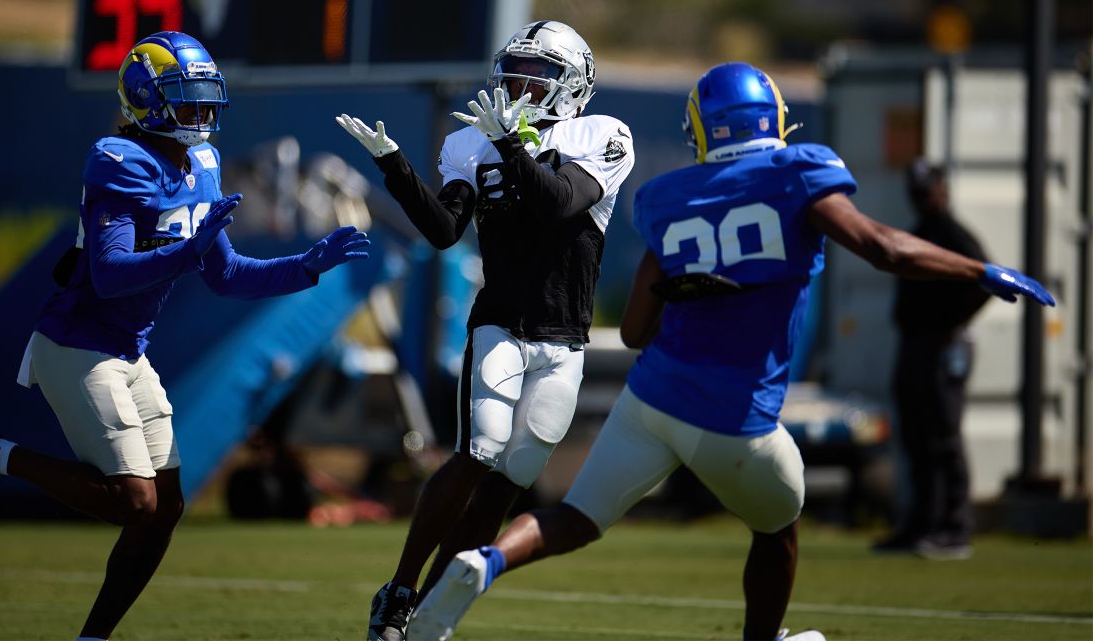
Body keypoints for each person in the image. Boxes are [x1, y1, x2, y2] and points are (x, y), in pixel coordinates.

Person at [407, 62, 1056, 641]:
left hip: (650, 396)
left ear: (703, 128)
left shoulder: (666, 196)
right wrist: (976, 270)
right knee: (779, 529)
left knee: (575, 515)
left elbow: (634, 332)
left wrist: (691, 291)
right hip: (733, 414)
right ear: (771, 117)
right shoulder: (798, 173)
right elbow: (884, 247)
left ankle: (483, 561)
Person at [0, 31, 370, 641]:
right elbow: (108, 276)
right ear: (146, 101)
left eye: (207, 100)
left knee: (165, 510)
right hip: (77, 344)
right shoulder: (118, 159)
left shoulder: (202, 163)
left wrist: (308, 264)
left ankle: (93, 637)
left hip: (130, 349)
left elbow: (228, 275)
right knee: (134, 502)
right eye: (187, 100)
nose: (202, 114)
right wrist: (186, 253)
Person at [336, 19, 635, 641]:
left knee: (512, 479)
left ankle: (434, 615)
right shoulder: (474, 141)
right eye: (517, 69)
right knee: (479, 452)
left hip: (565, 337)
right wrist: (395, 167)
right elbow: (445, 229)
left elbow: (558, 205)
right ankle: (397, 592)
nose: (523, 82)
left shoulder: (602, 134)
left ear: (575, 84)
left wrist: (512, 147)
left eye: (542, 73)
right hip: (499, 321)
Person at [873, 160, 991, 560]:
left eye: (927, 190)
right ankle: (921, 523)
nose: (920, 197)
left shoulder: (954, 236)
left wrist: (951, 325)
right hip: (914, 344)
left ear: (943, 190)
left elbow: (982, 282)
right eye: (915, 190)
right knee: (915, 437)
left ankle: (954, 528)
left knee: (943, 436)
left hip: (941, 347)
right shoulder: (922, 231)